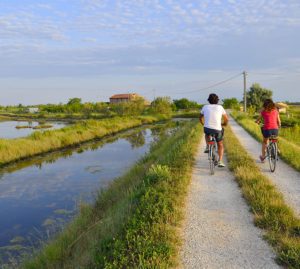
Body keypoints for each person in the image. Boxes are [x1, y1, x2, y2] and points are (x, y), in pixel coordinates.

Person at [199, 93, 229, 167]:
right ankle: (220, 161)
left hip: (207, 128)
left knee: (206, 134)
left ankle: (207, 146)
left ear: (209, 100)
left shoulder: (205, 107)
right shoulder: (220, 107)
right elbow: (226, 119)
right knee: (220, 144)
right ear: (217, 101)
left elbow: (200, 117)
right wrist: (224, 124)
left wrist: (203, 123)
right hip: (217, 129)